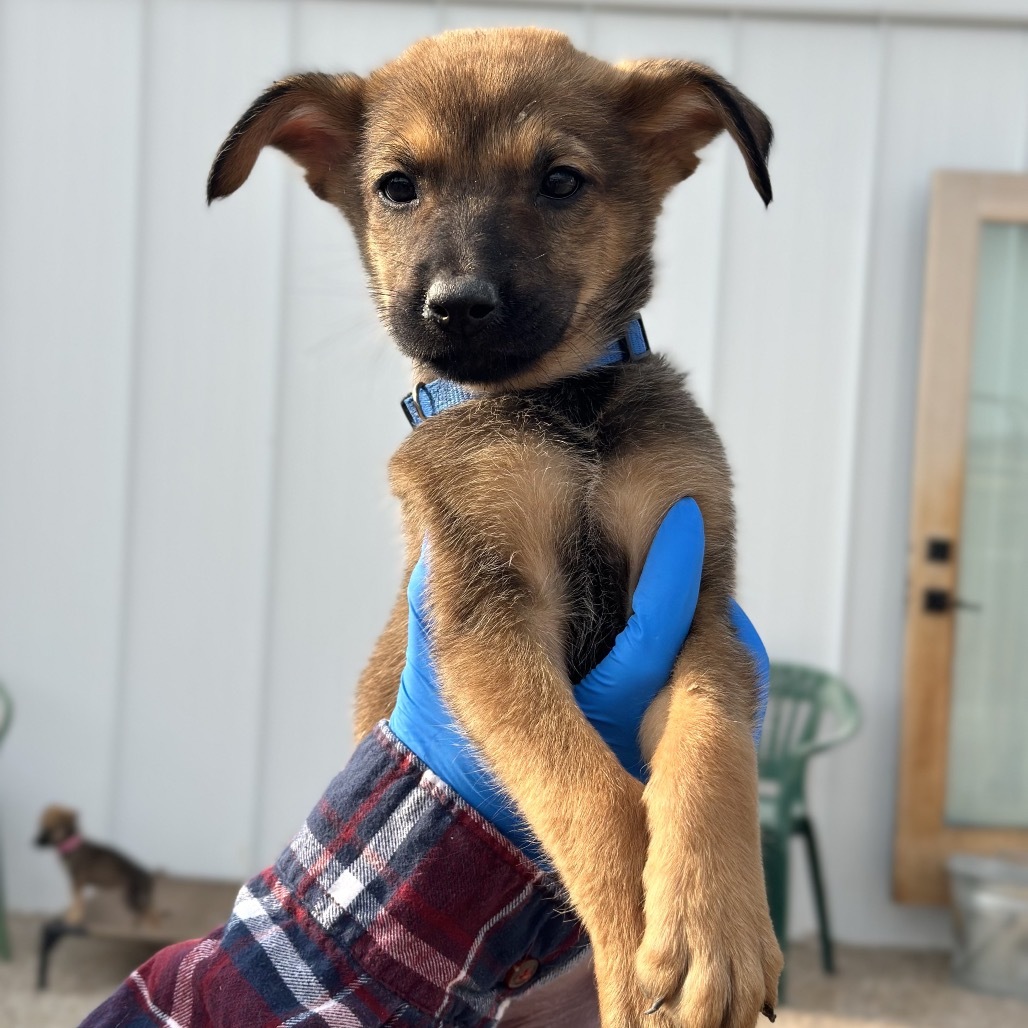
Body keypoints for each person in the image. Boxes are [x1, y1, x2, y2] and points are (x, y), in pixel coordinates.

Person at [82, 499, 769, 1027]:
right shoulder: (459, 434)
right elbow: (486, 638)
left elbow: (708, 654)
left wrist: (711, 805)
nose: (450, 302)